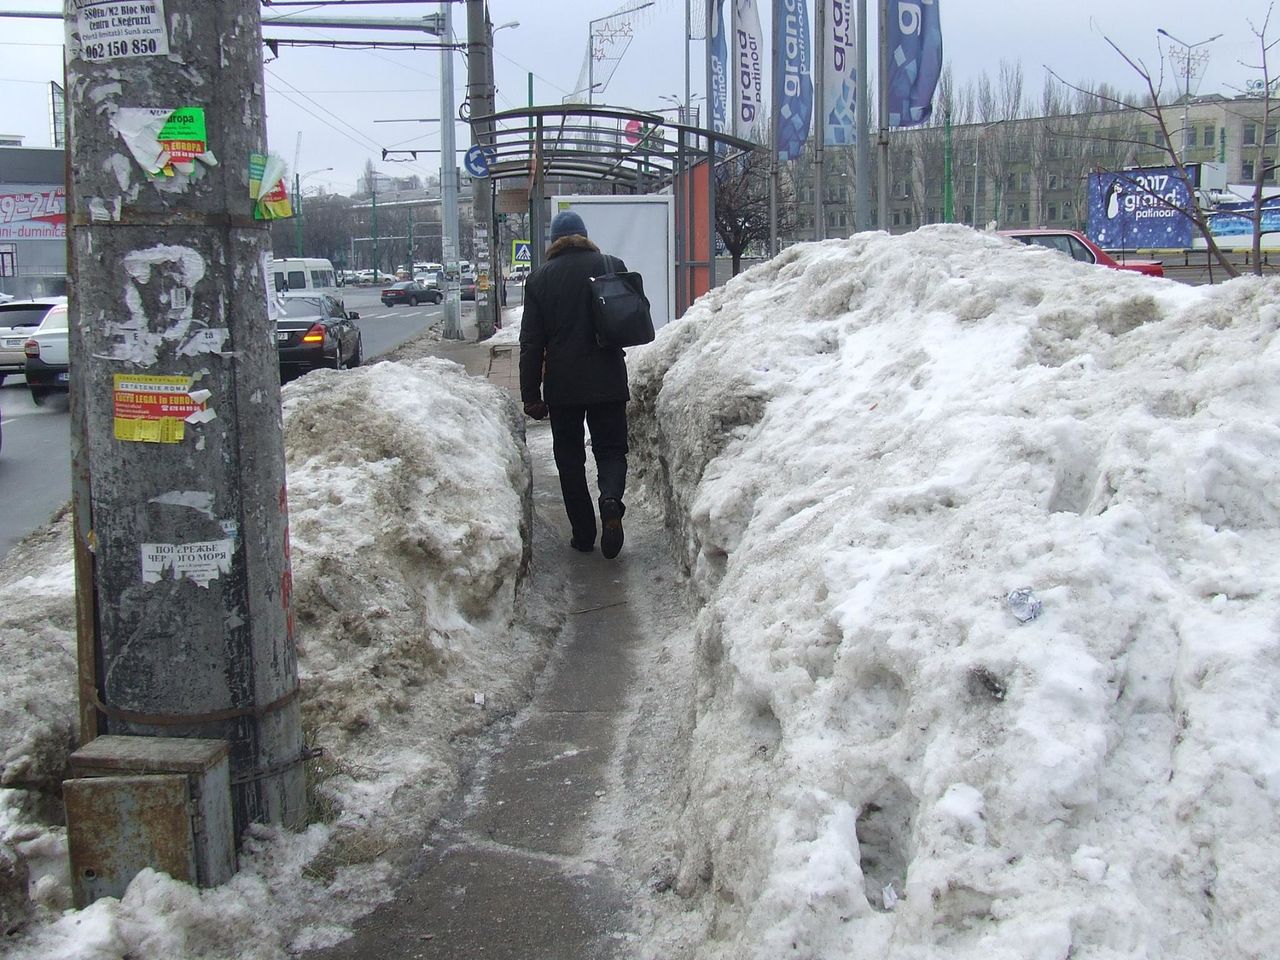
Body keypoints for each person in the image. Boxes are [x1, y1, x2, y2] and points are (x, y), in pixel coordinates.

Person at [519, 210, 629, 559]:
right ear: (584, 236)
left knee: (569, 459)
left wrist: (530, 395)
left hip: (563, 384)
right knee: (610, 449)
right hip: (608, 376)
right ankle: (610, 499)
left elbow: (531, 344)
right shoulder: (612, 264)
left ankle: (584, 534)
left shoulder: (539, 280)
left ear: (554, 241)